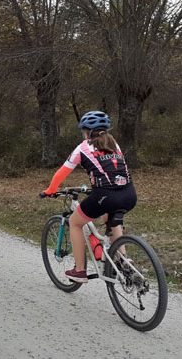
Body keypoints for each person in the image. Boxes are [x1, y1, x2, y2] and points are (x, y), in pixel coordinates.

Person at [41, 110, 137, 283]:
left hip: (106, 194)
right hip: (129, 194)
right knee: (111, 218)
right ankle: (123, 260)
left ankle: (79, 271)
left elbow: (61, 173)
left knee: (75, 223)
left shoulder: (83, 147)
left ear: (87, 132)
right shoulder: (115, 144)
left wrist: (50, 190)